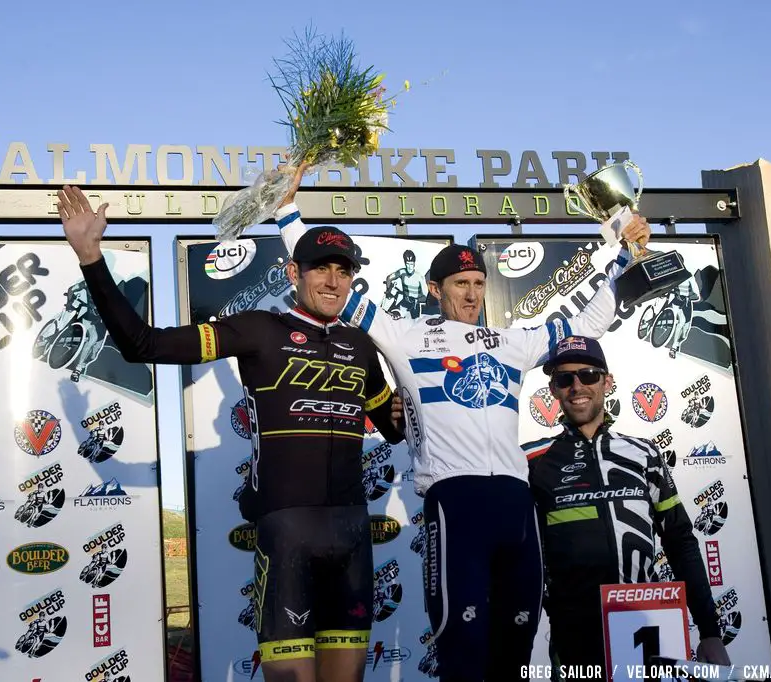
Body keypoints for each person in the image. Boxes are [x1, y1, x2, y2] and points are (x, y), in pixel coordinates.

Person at [272, 164, 652, 682]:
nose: (472, 295)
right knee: (463, 648)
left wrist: (624, 253)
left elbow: (584, 325)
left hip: (516, 503)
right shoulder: (404, 336)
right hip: (457, 501)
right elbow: (333, 284)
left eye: (478, 283)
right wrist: (285, 212)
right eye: (460, 284)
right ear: (435, 288)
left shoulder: (512, 343)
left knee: (517, 648)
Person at [57, 185, 405, 682]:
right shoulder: (258, 329)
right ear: (294, 273)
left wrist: (409, 404)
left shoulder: (360, 344)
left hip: (351, 533)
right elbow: (142, 343)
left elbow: (391, 430)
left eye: (344, 269)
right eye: (321, 267)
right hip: (286, 533)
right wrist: (91, 257)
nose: (333, 279)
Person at [523, 335, 730, 679]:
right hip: (574, 630)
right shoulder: (532, 461)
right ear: (554, 390)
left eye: (588, 375)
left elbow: (680, 542)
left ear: (607, 382)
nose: (577, 386)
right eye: (565, 379)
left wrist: (709, 630)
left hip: (649, 619)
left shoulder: (644, 453)